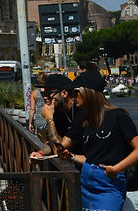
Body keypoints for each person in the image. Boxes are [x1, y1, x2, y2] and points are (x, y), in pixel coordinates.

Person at [54, 71, 138, 211]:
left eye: (75, 92)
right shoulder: (86, 120)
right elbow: (93, 157)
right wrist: (71, 156)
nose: (73, 97)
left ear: (87, 92)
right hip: (86, 182)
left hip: (108, 184)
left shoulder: (117, 116)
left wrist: (116, 169)